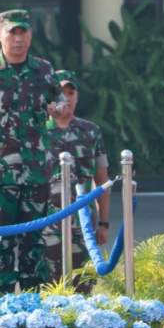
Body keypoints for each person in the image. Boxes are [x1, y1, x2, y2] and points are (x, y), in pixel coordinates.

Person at [0, 9, 65, 294]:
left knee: (34, 244)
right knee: (1, 244)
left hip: (37, 171)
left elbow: (60, 101)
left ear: (30, 35)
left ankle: (32, 308)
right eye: (12, 33)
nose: (18, 39)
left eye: (23, 32)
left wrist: (58, 109)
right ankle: (4, 306)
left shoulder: (44, 69)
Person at [42, 71, 111, 291]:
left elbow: (101, 181)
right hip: (44, 227)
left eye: (71, 93)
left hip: (83, 228)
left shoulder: (90, 132)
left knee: (83, 290)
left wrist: (103, 223)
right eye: (60, 93)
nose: (66, 98)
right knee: (48, 291)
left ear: (77, 96)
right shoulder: (37, 131)